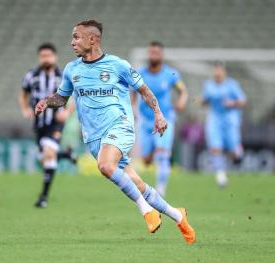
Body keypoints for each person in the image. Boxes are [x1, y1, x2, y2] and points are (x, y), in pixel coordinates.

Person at [35, 20, 195, 244]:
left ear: (93, 39)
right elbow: (62, 98)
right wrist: (47, 102)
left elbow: (145, 91)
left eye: (76, 37)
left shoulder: (118, 65)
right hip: (94, 137)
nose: (72, 42)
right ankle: (179, 216)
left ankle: (146, 211)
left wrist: (158, 114)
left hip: (120, 126)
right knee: (136, 183)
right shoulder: (72, 69)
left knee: (105, 166)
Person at [19, 43, 76, 208]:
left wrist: (67, 112)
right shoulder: (31, 76)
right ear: (39, 57)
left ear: (55, 57)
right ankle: (65, 155)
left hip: (56, 122)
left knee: (49, 154)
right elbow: (23, 94)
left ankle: (43, 197)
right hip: (38, 124)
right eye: (43, 56)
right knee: (45, 158)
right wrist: (24, 109)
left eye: (49, 56)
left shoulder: (63, 76)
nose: (46, 59)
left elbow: (75, 95)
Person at [132, 41, 188, 196]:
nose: (153, 55)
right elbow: (132, 93)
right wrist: (133, 109)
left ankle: (161, 190)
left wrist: (182, 101)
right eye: (151, 52)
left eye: (156, 53)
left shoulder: (170, 74)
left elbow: (183, 91)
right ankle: (150, 158)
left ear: (161, 55)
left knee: (162, 154)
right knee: (146, 160)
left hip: (165, 119)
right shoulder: (140, 73)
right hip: (145, 120)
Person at [201, 62, 247, 187]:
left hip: (230, 119)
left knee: (233, 150)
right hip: (215, 119)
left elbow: (243, 101)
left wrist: (232, 103)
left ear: (224, 72)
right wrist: (202, 101)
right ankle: (220, 176)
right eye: (215, 71)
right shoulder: (208, 85)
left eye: (219, 71)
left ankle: (238, 152)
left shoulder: (232, 85)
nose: (217, 73)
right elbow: (204, 101)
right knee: (216, 147)